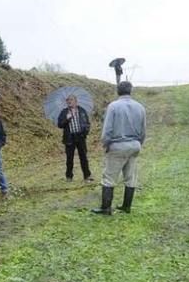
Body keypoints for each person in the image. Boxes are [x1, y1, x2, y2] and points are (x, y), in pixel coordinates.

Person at [93, 81, 147, 215]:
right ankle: (126, 206)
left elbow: (107, 130)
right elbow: (143, 131)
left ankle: (106, 208)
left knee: (109, 178)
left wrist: (106, 144)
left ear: (118, 91)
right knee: (130, 177)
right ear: (130, 91)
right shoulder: (140, 107)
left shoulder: (113, 106)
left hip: (117, 146)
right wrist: (138, 143)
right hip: (134, 145)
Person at [56, 94, 93, 182]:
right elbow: (60, 125)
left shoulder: (82, 111)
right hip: (69, 138)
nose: (69, 101)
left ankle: (87, 176)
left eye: (71, 100)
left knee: (83, 157)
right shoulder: (64, 112)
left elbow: (87, 123)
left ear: (76, 101)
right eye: (68, 100)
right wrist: (67, 119)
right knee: (69, 158)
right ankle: (69, 177)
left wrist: (85, 133)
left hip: (80, 137)